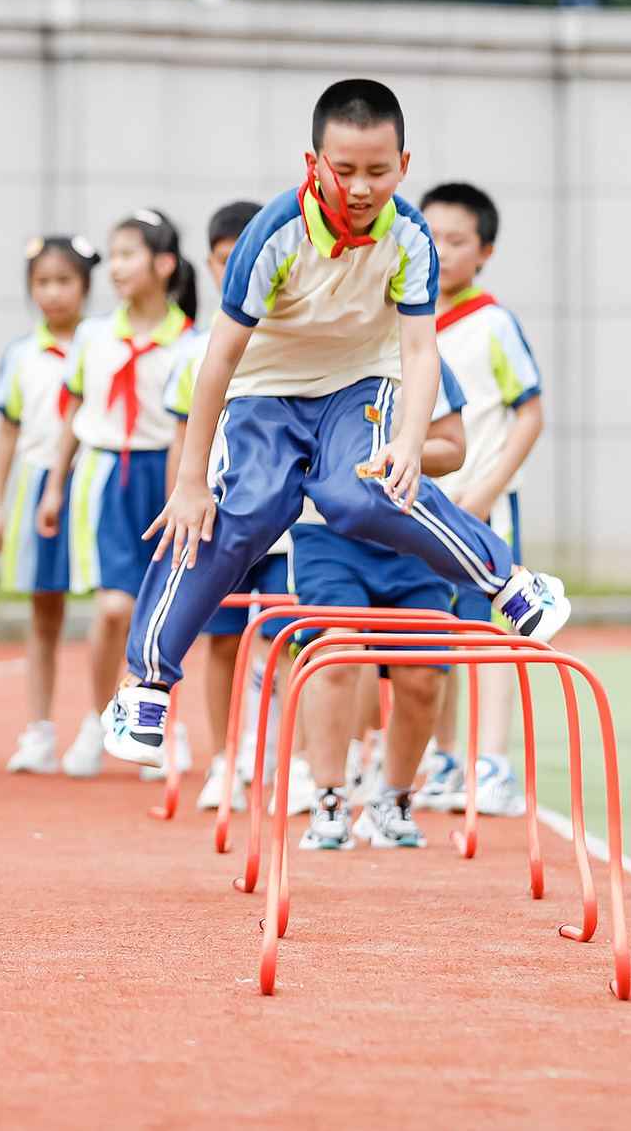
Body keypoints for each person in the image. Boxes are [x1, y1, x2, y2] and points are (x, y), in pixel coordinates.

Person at [104, 79, 571, 773]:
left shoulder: (410, 236)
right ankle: (145, 684)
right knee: (240, 513)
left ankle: (508, 581)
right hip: (266, 390)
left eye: (378, 171)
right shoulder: (273, 234)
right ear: (313, 162)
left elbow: (419, 348)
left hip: (360, 382)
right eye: (343, 169)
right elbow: (221, 357)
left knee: (363, 493)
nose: (359, 186)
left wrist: (410, 440)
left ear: (403, 166)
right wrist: (191, 477)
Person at [34, 209, 196, 778]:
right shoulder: (92, 336)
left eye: (128, 253)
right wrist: (55, 487)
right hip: (106, 478)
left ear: (164, 263)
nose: (117, 267)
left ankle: (153, 721)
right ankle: (99, 716)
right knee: (114, 608)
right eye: (114, 254)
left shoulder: (193, 342)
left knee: (166, 609)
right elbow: (71, 414)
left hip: (171, 477)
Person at [292, 362, 470, 851]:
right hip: (329, 533)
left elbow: (453, 447)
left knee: (423, 668)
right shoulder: (311, 350)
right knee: (337, 650)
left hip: (413, 531)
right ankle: (328, 798)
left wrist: (401, 454)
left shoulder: (420, 359)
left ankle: (392, 798)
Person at [165, 201, 304, 810]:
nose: (238, 272)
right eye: (225, 262)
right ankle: (226, 758)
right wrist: (183, 493)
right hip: (217, 516)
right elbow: (182, 436)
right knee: (222, 639)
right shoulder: (197, 349)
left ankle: (290, 760)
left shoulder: (304, 339)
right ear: (212, 263)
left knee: (289, 638)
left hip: (285, 524)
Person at [413, 181, 545, 818]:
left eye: (456, 239)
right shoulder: (405, 322)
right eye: (430, 236)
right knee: (433, 628)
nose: (441, 249)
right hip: (422, 510)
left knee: (485, 629)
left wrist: (487, 488)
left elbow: (530, 413)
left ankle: (493, 763)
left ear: (484, 250)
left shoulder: (494, 323)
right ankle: (443, 756)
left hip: (483, 508)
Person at [0, 236, 96, 774]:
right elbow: (7, 434)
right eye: (42, 282)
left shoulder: (100, 344)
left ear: (86, 286)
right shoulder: (20, 355)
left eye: (64, 281)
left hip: (96, 479)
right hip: (36, 487)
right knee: (44, 610)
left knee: (112, 604)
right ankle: (40, 729)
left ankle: (111, 721)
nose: (52, 293)